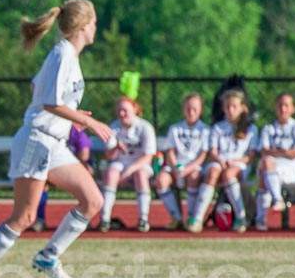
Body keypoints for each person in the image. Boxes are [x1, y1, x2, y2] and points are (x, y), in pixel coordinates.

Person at [0, 0, 112, 278]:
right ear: (83, 26)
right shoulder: (62, 54)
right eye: (94, 22)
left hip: (52, 143)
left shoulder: (67, 55)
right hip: (36, 141)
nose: (96, 27)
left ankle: (49, 256)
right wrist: (89, 122)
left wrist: (72, 114)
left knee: (93, 200)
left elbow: (38, 89)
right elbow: (49, 102)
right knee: (25, 216)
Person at [187, 89, 258, 233]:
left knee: (229, 174)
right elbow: (213, 152)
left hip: (239, 165)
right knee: (213, 171)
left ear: (242, 108)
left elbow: (250, 156)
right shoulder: (218, 127)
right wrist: (221, 160)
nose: (230, 110)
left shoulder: (251, 128)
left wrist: (234, 161)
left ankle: (241, 217)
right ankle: (198, 218)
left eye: (234, 107)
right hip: (220, 162)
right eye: (227, 107)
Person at [98, 97, 157, 232]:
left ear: (135, 110)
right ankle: (105, 219)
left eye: (125, 110)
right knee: (111, 173)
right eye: (119, 110)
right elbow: (109, 156)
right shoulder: (114, 127)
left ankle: (143, 219)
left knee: (140, 174)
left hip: (139, 165)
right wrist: (115, 148)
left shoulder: (145, 127)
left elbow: (148, 157)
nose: (121, 114)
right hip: (119, 164)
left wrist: (129, 170)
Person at [255, 93, 295, 231]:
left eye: (286, 105)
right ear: (275, 108)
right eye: (280, 105)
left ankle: (261, 218)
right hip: (270, 168)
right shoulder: (268, 128)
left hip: (290, 169)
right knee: (265, 165)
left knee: (265, 168)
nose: (283, 109)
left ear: (293, 109)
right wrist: (284, 152)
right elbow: (263, 151)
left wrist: (275, 151)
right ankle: (276, 201)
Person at [159, 93, 209, 230]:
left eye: (195, 109)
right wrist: (176, 167)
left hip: (194, 167)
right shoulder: (175, 128)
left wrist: (187, 169)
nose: (191, 112)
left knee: (194, 177)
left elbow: (203, 156)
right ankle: (177, 217)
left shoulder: (205, 130)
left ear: (200, 110)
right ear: (183, 109)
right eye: (188, 108)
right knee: (161, 180)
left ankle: (191, 218)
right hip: (176, 166)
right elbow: (170, 151)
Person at [32, 125, 92, 232]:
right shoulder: (50, 129)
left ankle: (84, 218)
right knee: (40, 181)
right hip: (51, 167)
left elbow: (84, 156)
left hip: (72, 168)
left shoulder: (77, 133)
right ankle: (40, 219)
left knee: (86, 178)